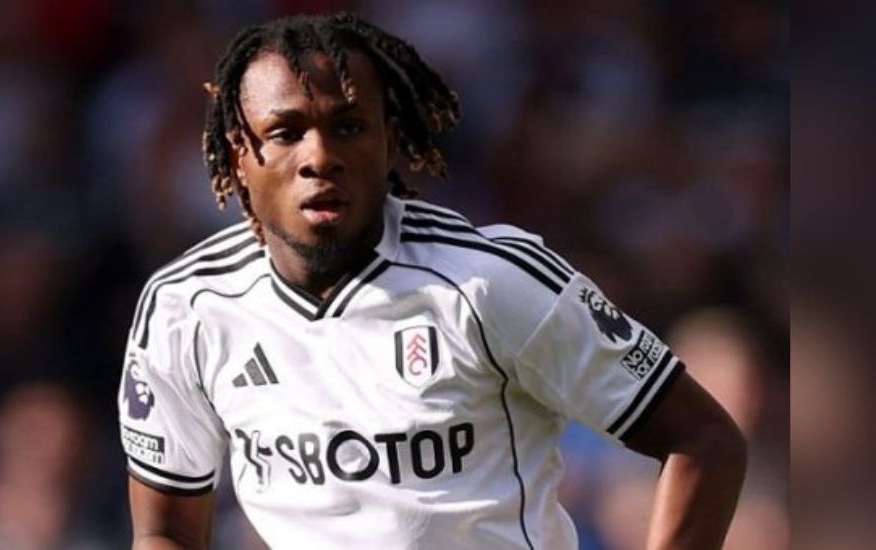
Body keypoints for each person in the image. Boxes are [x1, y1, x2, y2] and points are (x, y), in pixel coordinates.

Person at [118, 12, 746, 549]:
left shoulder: (490, 282)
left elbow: (705, 439)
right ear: (238, 155)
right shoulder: (185, 309)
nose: (319, 157)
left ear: (390, 142)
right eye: (285, 133)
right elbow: (166, 530)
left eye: (349, 126)